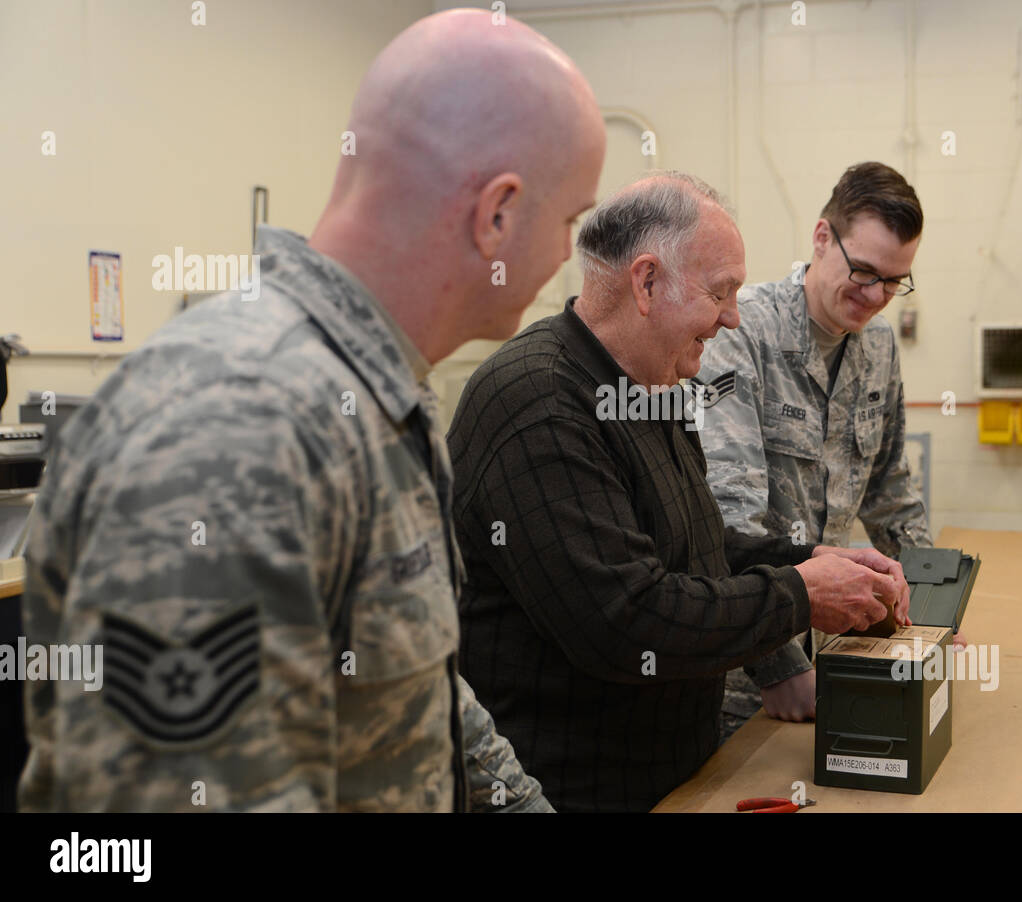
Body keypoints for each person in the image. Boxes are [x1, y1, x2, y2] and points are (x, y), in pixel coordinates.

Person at [19, 8, 605, 812]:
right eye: (571, 221)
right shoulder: (243, 424)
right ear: (497, 213)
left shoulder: (368, 396)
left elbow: (410, 699)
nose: (562, 259)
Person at [446, 172, 908, 812]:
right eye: (721, 293)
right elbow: (626, 619)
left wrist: (810, 561)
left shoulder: (649, 389)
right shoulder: (537, 402)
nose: (732, 318)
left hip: (680, 779)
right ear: (647, 282)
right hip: (572, 793)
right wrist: (801, 596)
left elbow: (698, 545)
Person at [695, 161, 959, 741]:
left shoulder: (879, 347)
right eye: (863, 271)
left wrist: (938, 608)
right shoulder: (743, 334)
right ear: (821, 237)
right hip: (745, 668)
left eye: (894, 281)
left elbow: (891, 491)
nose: (875, 296)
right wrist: (781, 665)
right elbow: (729, 521)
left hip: (836, 645)